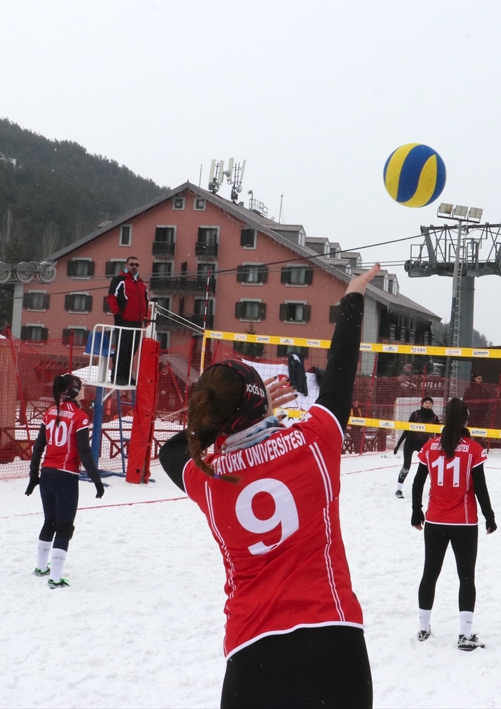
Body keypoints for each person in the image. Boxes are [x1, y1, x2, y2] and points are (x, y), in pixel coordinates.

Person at [157, 264, 381, 708]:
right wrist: (351, 297)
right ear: (263, 401)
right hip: (334, 643)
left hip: (253, 654)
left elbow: (171, 449)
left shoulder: (210, 478)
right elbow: (338, 379)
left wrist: (221, 427)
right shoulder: (314, 442)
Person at [411, 398, 497, 651]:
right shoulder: (472, 448)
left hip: (435, 520)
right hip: (464, 522)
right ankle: (465, 634)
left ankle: (423, 628)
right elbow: (480, 487)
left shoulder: (430, 445)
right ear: (466, 419)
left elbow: (417, 483)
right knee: (466, 576)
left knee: (430, 573)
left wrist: (416, 512)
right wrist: (489, 516)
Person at [25, 374, 105, 589]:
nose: (85, 391)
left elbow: (39, 446)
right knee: (64, 527)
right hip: (66, 477)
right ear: (74, 390)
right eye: (82, 388)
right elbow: (85, 453)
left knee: (49, 522)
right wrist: (96, 480)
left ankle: (41, 568)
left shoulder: (49, 412)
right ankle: (56, 578)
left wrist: (34, 475)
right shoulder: (79, 417)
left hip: (47, 475)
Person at [106, 255, 149, 385]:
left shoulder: (141, 284)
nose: (134, 267)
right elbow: (112, 297)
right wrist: (117, 313)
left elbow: (145, 302)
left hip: (137, 322)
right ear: (126, 265)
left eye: (136, 265)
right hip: (124, 321)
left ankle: (127, 376)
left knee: (132, 350)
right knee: (122, 349)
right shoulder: (120, 280)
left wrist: (146, 318)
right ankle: (117, 376)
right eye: (132, 264)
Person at [394, 397, 439, 497]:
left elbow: (438, 434)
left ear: (432, 405)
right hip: (410, 442)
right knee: (406, 466)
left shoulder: (434, 417)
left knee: (429, 466)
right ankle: (398, 490)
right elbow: (407, 429)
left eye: (429, 403)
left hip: (423, 444)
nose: (428, 404)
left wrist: (439, 446)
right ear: (422, 404)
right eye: (426, 402)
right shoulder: (415, 414)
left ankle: (435, 489)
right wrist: (398, 444)